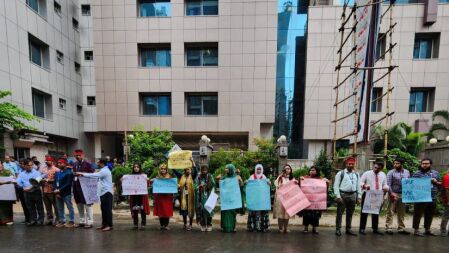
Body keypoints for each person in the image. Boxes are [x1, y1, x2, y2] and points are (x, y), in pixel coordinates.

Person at [76, 158, 113, 232]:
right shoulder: (103, 170)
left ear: (102, 163)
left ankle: (109, 225)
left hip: (107, 193)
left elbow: (94, 175)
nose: (97, 164)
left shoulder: (105, 171)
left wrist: (82, 173)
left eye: (98, 163)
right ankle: (104, 224)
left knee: (107, 210)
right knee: (103, 210)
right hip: (103, 192)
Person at [333, 157, 362, 236]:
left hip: (353, 195)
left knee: (350, 213)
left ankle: (348, 229)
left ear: (354, 164)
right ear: (346, 164)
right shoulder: (341, 173)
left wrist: (359, 196)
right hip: (343, 194)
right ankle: (338, 229)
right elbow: (336, 186)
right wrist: (338, 196)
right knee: (340, 213)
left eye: (352, 164)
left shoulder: (356, 174)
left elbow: (358, 186)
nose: (351, 165)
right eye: (349, 164)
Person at [412, 158, 441, 236]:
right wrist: (427, 181)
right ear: (421, 164)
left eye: (426, 163)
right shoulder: (416, 173)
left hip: (433, 196)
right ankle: (416, 230)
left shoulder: (436, 173)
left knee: (430, 214)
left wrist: (436, 182)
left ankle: (427, 229)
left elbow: (440, 184)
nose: (424, 165)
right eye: (423, 163)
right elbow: (413, 184)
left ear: (430, 164)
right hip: (420, 197)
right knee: (417, 214)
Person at [359, 161, 389, 235]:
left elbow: (385, 184)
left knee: (376, 213)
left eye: (378, 168)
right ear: (373, 166)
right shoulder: (367, 173)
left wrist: (385, 188)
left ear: (381, 168)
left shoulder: (383, 174)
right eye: (375, 167)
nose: (376, 169)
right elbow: (360, 182)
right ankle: (362, 229)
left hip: (378, 195)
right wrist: (364, 185)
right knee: (364, 212)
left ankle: (375, 229)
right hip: (367, 194)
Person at [298, 166, 329, 234]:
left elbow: (325, 189)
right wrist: (300, 180)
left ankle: (314, 228)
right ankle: (306, 228)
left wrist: (326, 182)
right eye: (310, 170)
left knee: (316, 215)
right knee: (306, 215)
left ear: (317, 171)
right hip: (307, 201)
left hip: (316, 202)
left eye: (313, 170)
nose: (311, 171)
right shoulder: (305, 178)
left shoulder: (320, 179)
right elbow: (299, 186)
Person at [385, 158, 411, 235]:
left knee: (402, 212)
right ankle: (388, 227)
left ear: (401, 164)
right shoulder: (391, 172)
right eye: (394, 163)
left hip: (403, 194)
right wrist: (391, 193)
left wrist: (408, 194)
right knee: (390, 211)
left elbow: (409, 183)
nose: (395, 165)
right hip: (393, 193)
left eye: (397, 163)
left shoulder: (407, 172)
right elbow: (388, 184)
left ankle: (401, 228)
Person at [16, 159, 45, 226]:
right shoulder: (21, 174)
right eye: (28, 165)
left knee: (39, 207)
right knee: (30, 207)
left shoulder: (36, 172)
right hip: (27, 193)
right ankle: (33, 220)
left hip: (36, 191)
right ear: (25, 166)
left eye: (31, 165)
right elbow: (18, 183)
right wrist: (22, 188)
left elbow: (37, 182)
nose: (30, 167)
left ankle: (40, 220)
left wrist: (29, 188)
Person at [72, 149, 94, 228]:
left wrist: (83, 174)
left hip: (85, 187)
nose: (78, 157)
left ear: (83, 155)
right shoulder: (74, 164)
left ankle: (90, 222)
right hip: (76, 186)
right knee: (79, 204)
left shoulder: (88, 164)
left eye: (79, 155)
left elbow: (92, 174)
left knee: (87, 204)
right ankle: (81, 221)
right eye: (76, 155)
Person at [246, 164, 271, 232]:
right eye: (257, 169)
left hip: (262, 199)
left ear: (262, 169)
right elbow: (248, 184)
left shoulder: (264, 177)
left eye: (260, 169)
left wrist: (269, 183)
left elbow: (268, 185)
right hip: (254, 199)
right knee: (254, 212)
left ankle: (263, 227)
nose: (259, 170)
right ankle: (253, 227)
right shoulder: (252, 177)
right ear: (255, 169)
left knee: (262, 212)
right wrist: (246, 182)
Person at [125, 163, 150, 230]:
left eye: (137, 167)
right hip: (134, 196)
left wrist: (147, 180)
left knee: (143, 210)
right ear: (133, 168)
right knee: (135, 210)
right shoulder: (130, 176)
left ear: (139, 168)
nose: (136, 168)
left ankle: (143, 224)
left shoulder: (143, 176)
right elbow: (125, 183)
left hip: (142, 196)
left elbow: (147, 184)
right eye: (135, 167)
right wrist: (123, 179)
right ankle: (135, 224)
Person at [220, 164, 243, 233]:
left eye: (228, 169)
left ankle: (233, 227)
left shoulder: (236, 177)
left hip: (233, 199)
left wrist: (240, 180)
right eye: (226, 169)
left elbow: (241, 186)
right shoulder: (224, 177)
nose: (226, 171)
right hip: (226, 199)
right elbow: (221, 184)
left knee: (233, 213)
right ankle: (224, 227)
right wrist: (219, 179)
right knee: (225, 212)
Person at [54, 158, 75, 228]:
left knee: (70, 207)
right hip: (58, 193)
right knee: (60, 208)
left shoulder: (69, 173)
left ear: (65, 164)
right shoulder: (57, 173)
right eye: (58, 163)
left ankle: (72, 221)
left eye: (61, 163)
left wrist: (59, 190)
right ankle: (62, 221)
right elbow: (55, 182)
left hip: (66, 193)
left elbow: (68, 184)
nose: (59, 164)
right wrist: (56, 190)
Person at [274, 164, 295, 233]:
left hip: (289, 198)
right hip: (281, 198)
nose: (287, 170)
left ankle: (285, 228)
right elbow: (276, 185)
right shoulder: (280, 178)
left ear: (291, 170)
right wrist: (281, 176)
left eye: (288, 168)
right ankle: (280, 228)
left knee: (287, 214)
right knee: (280, 213)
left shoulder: (292, 178)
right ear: (283, 170)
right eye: (286, 168)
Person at [152, 163, 174, 230]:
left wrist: (176, 185)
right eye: (162, 169)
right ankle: (162, 225)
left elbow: (173, 185)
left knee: (166, 210)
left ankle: (166, 225)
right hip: (159, 197)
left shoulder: (169, 177)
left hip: (167, 197)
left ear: (166, 170)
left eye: (164, 169)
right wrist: (152, 181)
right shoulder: (157, 177)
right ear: (160, 169)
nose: (163, 170)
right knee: (161, 211)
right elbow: (153, 185)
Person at [40, 156, 60, 225]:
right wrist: (41, 180)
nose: (47, 162)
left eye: (48, 161)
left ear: (52, 161)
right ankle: (50, 219)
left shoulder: (56, 169)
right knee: (47, 206)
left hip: (52, 190)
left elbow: (58, 180)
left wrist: (49, 180)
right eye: (46, 161)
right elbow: (40, 177)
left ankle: (58, 219)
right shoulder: (43, 169)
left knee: (56, 206)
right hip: (44, 190)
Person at [195, 164, 215, 232]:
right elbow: (195, 185)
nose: (204, 171)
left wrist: (206, 186)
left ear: (207, 170)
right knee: (201, 211)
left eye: (205, 170)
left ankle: (209, 225)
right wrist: (199, 186)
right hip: (201, 197)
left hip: (209, 196)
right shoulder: (198, 177)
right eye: (203, 170)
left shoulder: (210, 176)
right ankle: (203, 225)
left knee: (209, 210)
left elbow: (213, 184)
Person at [178, 164, 197, 231]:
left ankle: (190, 224)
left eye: (189, 169)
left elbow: (196, 171)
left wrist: (193, 162)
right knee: (184, 210)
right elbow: (175, 171)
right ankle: (185, 224)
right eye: (187, 169)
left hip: (190, 196)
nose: (188, 171)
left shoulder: (192, 176)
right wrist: (170, 162)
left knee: (191, 210)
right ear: (185, 170)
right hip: (183, 196)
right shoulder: (181, 176)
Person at [15, 158, 30, 224]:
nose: (21, 165)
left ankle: (31, 218)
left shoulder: (31, 171)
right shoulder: (19, 171)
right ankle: (27, 218)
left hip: (29, 190)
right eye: (20, 164)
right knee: (24, 205)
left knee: (29, 205)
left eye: (22, 164)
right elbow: (17, 181)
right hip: (21, 190)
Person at [441, 169, 449, 237]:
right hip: (448, 200)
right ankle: (443, 230)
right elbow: (446, 190)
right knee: (446, 215)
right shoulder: (447, 177)